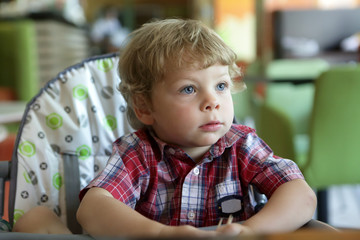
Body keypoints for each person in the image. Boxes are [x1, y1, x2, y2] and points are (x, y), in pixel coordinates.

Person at [76, 18, 317, 238]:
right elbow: (92, 209)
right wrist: (161, 234)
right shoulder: (137, 154)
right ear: (145, 107)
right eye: (189, 89)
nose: (213, 101)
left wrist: (251, 231)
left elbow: (301, 195)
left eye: (221, 85)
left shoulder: (242, 145)